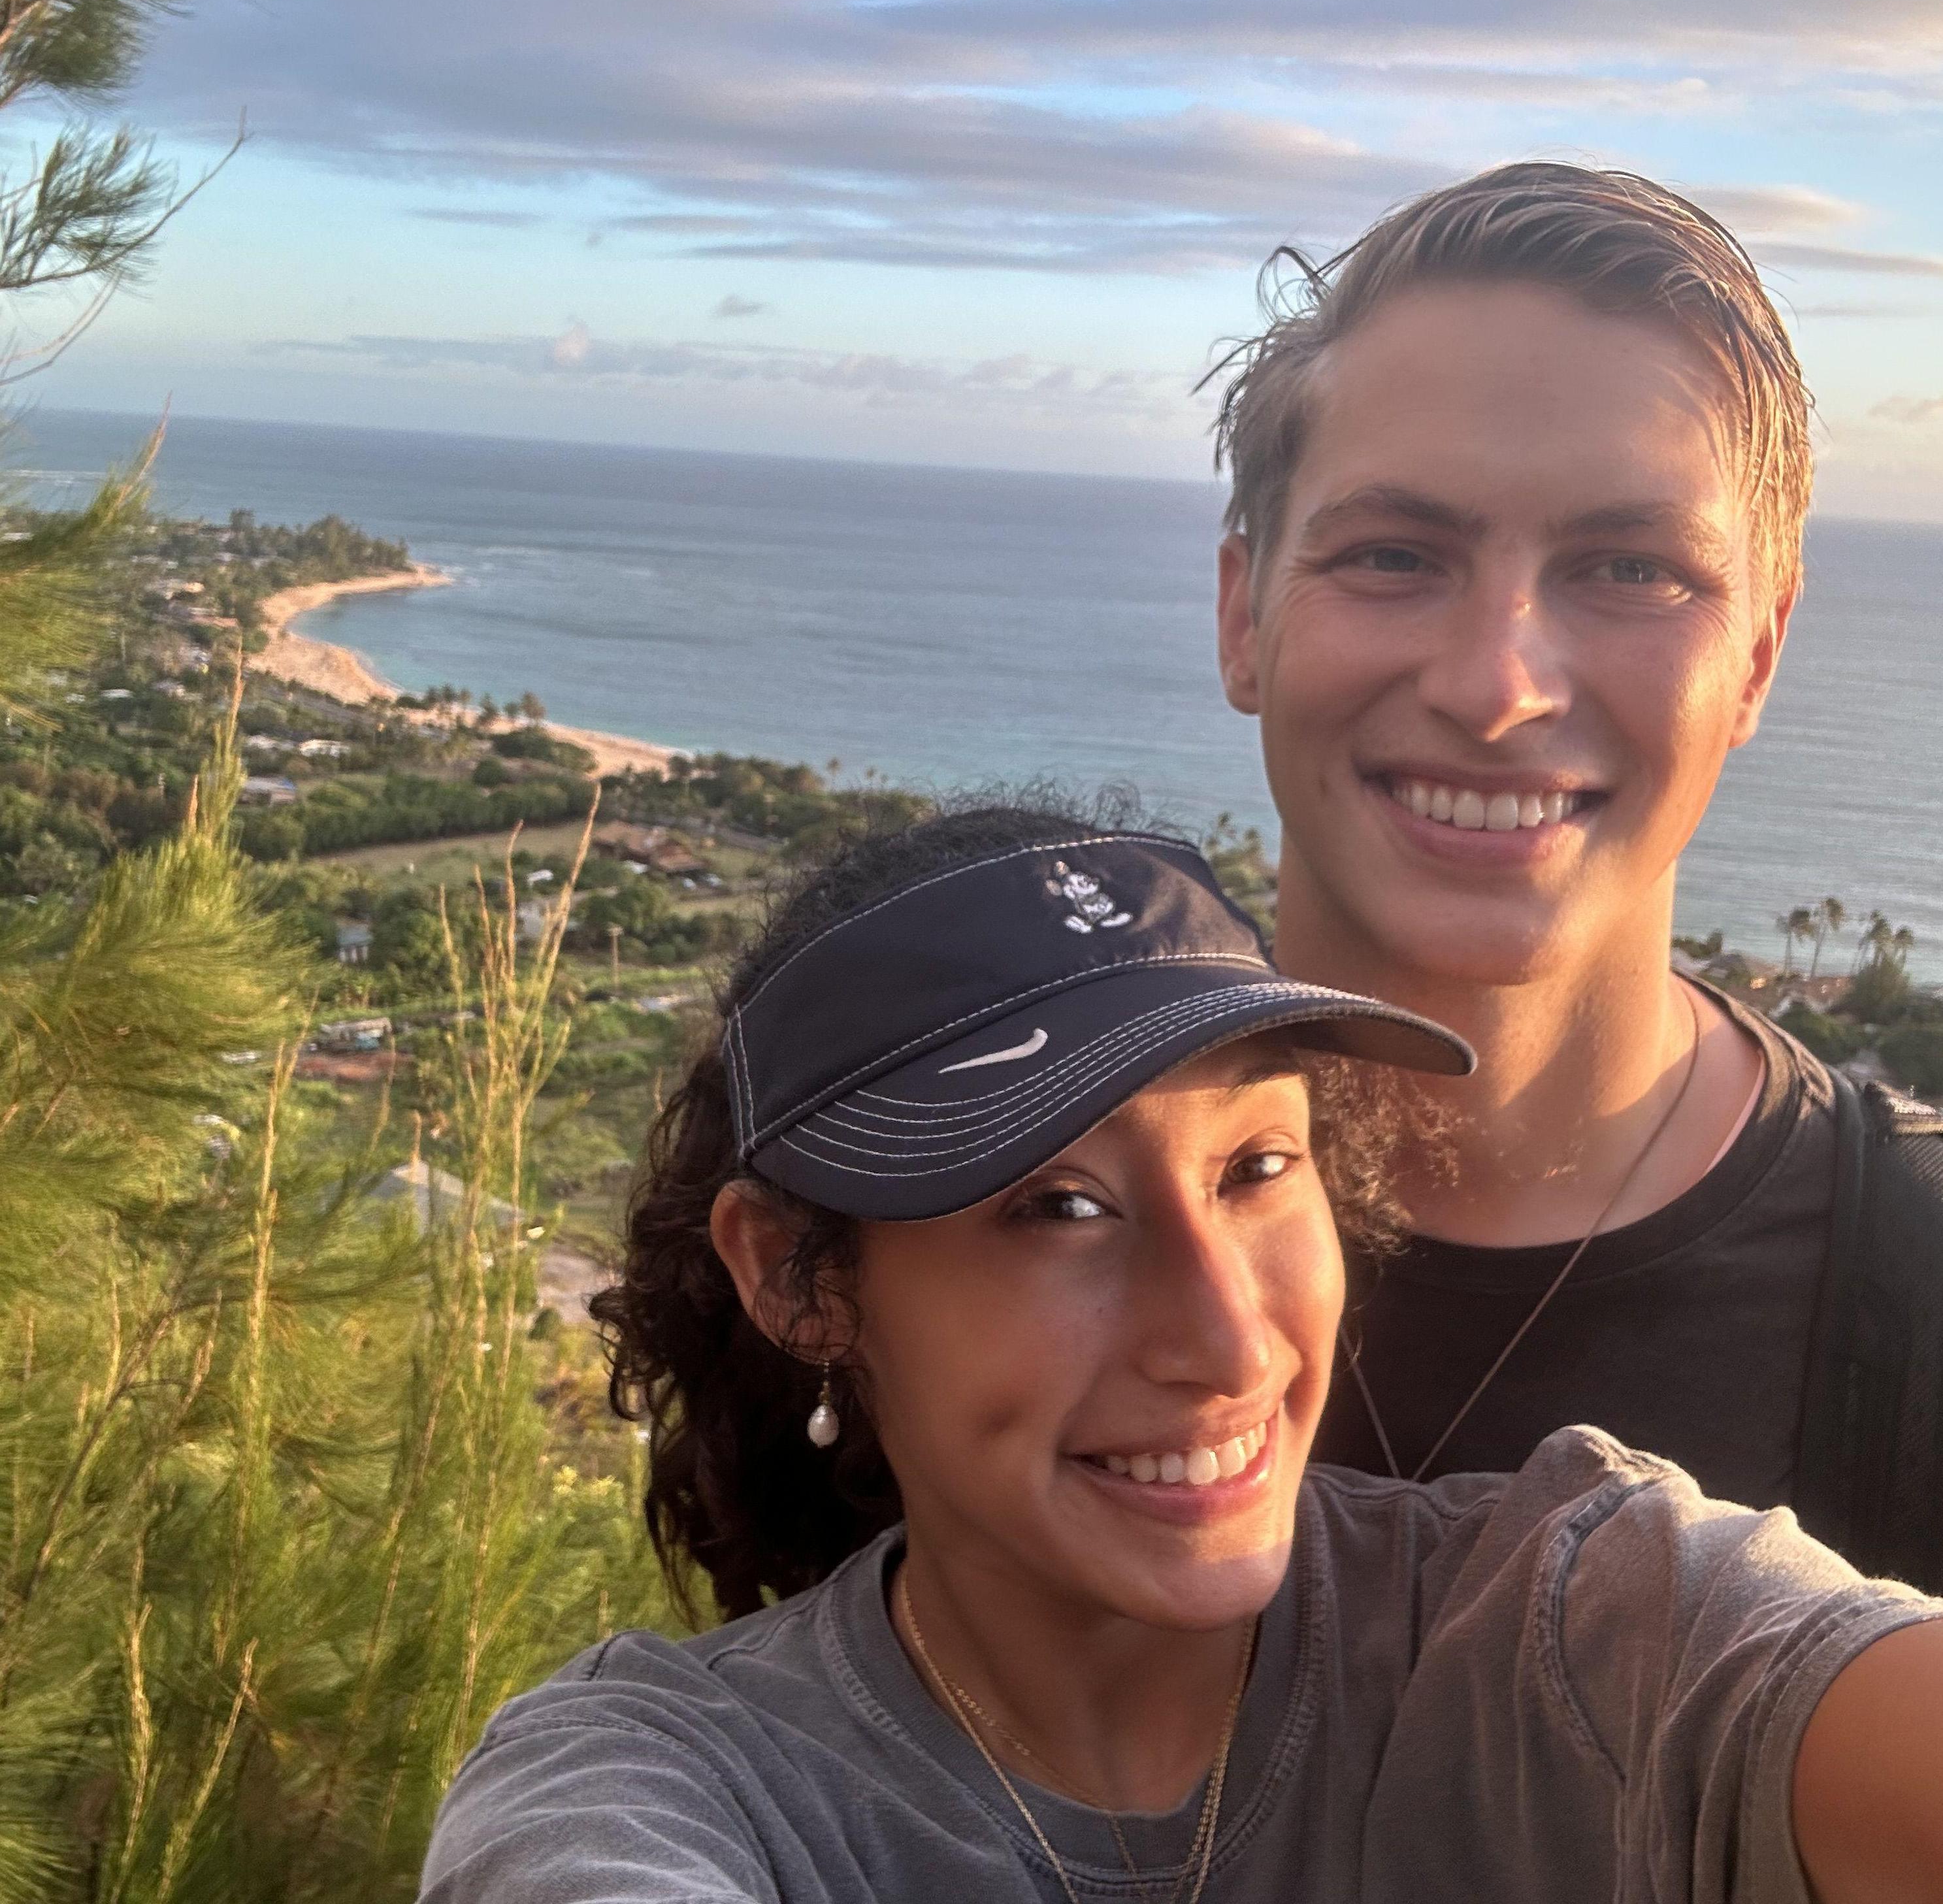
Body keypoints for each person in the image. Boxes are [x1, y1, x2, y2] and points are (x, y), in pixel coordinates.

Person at [421, 804, 1943, 1903]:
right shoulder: (666, 1785)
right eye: (1056, 1207)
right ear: (799, 1284)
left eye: (1254, 1169)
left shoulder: (1571, 1631)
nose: (1226, 1340)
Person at [1209, 161, 1943, 1586]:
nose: (1495, 686)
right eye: (1392, 554)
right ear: (1242, 615)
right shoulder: (1006, 1197)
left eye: (1628, 570)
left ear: (1757, 656)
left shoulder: (1905, 1290)